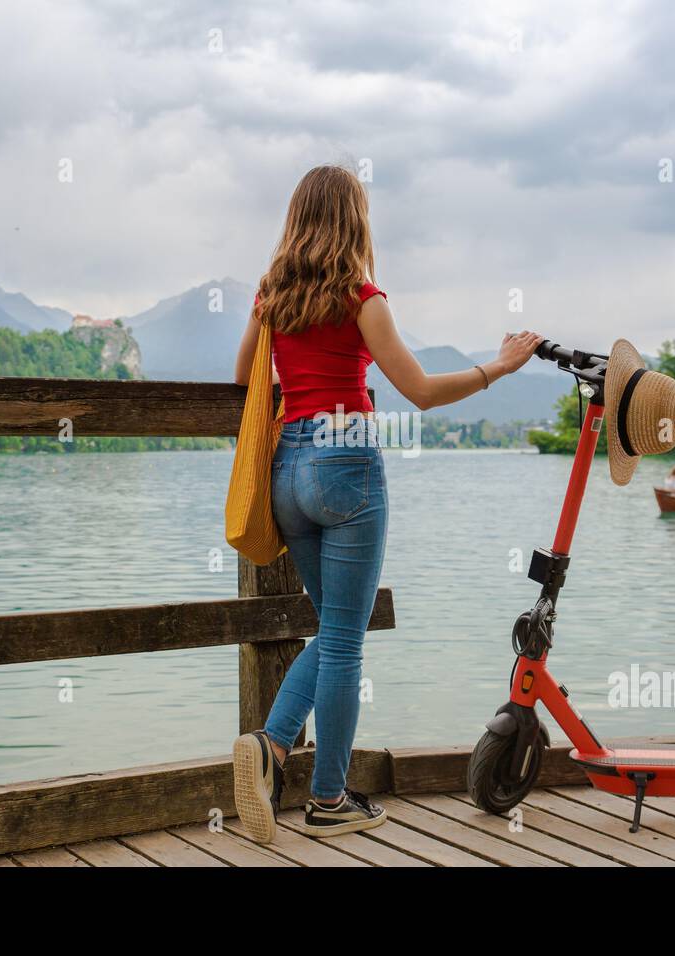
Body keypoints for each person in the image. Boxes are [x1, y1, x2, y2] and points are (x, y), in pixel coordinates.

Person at [230, 164, 543, 843]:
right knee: (344, 636)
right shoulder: (362, 298)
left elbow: (242, 378)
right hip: (347, 463)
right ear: (356, 221)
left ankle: (289, 765)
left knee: (335, 627)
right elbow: (422, 391)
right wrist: (500, 368)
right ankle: (313, 784)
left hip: (287, 472)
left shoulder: (270, 297)